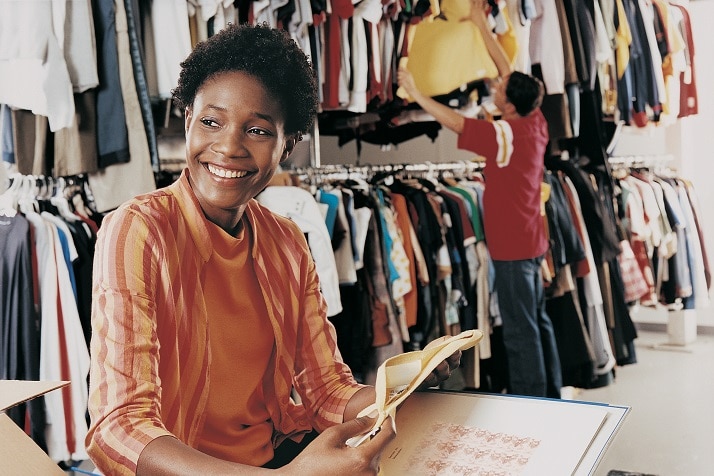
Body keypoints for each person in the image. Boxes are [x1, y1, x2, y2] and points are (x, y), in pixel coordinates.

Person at [86, 23, 461, 475]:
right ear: (188, 121)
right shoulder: (138, 231)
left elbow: (326, 391)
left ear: (289, 145)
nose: (228, 147)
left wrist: (404, 386)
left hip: (276, 461)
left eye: (258, 130)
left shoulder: (287, 243)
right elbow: (119, 427)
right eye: (211, 121)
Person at [397, 0, 562, 398]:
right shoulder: (534, 119)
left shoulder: (504, 136)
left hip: (513, 246)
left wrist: (416, 92)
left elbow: (456, 121)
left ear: (508, 105)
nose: (495, 83)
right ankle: (552, 393)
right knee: (537, 320)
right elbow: (506, 67)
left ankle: (533, 403)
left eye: (499, 89)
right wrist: (478, 23)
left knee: (521, 330)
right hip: (534, 240)